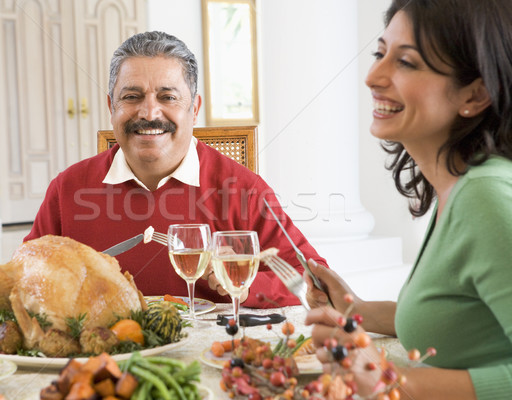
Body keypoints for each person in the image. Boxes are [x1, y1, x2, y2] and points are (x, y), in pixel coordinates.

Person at [25, 31, 327, 308]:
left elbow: (313, 282)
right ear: (111, 107)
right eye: (131, 97)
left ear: (193, 109)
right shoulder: (68, 188)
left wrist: (246, 286)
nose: (149, 113)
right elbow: (25, 274)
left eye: (167, 97)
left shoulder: (244, 190)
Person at [304, 0, 512, 399]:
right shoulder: (458, 188)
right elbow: (460, 319)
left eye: (407, 63)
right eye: (380, 53)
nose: (372, 77)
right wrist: (356, 309)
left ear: (476, 94)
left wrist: (393, 382)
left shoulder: (485, 198)